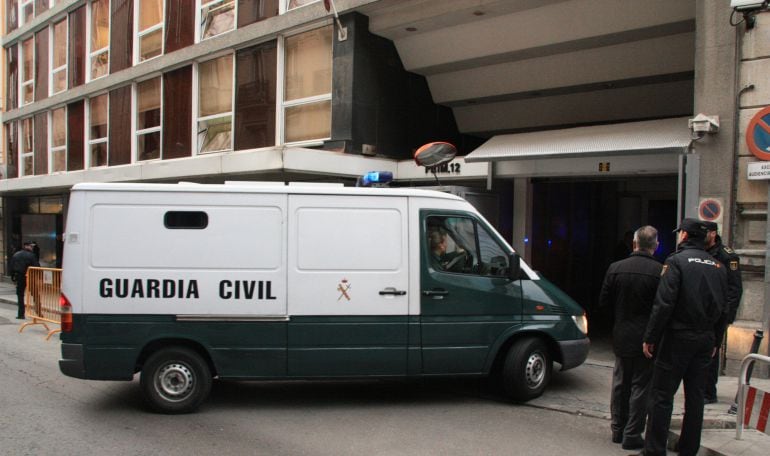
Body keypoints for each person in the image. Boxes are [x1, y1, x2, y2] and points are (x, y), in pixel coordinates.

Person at [638, 218, 728, 456]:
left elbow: (664, 303)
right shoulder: (718, 267)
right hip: (705, 339)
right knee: (696, 398)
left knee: (661, 396)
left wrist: (651, 336)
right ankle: (689, 449)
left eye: (680, 234)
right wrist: (716, 341)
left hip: (678, 337)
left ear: (685, 236)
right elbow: (724, 308)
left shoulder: (676, 261)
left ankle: (654, 450)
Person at [598, 226, 661, 450]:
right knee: (641, 386)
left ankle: (617, 429)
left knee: (620, 383)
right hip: (647, 338)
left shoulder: (616, 268)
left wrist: (617, 324)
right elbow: (662, 308)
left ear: (634, 244)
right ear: (655, 245)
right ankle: (632, 433)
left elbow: (604, 303)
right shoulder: (659, 271)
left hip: (622, 333)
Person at [702, 221, 742, 404]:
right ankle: (701, 389)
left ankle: (709, 392)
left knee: (712, 351)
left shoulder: (727, 256)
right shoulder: (701, 251)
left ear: (712, 234)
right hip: (702, 309)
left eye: (705, 232)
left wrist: (727, 316)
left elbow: (734, 289)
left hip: (718, 312)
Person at [10, 241, 40, 320]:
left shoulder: (16, 255)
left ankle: (21, 314)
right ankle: (39, 312)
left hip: (19, 277)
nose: (32, 248)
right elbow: (37, 267)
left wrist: (13, 278)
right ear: (27, 246)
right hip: (30, 276)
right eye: (31, 246)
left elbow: (12, 267)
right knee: (35, 294)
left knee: (20, 295)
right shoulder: (32, 255)